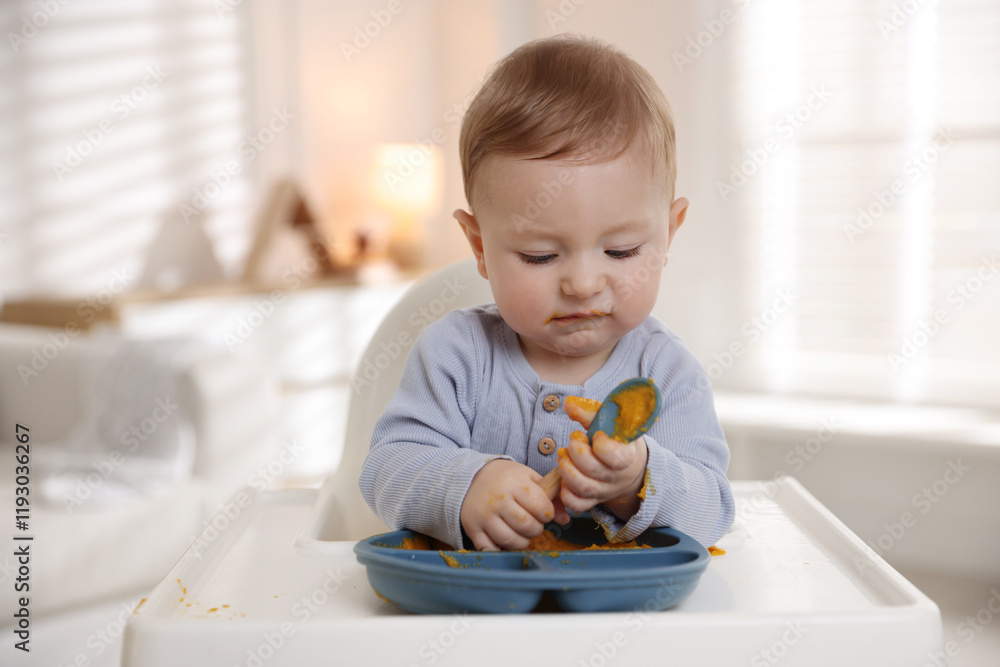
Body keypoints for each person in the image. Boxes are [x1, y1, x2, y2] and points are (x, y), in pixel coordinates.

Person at [360, 34, 734, 552]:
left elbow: (713, 509)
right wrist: (466, 485)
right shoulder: (455, 356)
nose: (583, 284)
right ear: (480, 246)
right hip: (477, 599)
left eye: (621, 251)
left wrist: (636, 480)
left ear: (668, 234)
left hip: (619, 602)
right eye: (540, 256)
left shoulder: (668, 376)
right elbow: (387, 468)